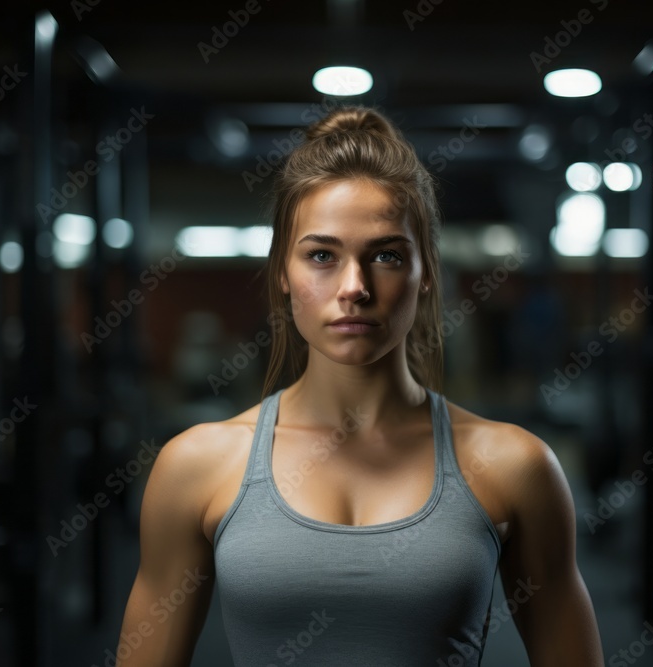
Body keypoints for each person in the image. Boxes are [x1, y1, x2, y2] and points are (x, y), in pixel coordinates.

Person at [114, 105, 605, 666]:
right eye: (322, 255)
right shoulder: (196, 466)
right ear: (282, 272)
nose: (354, 287)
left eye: (387, 256)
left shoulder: (514, 465)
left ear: (425, 276)